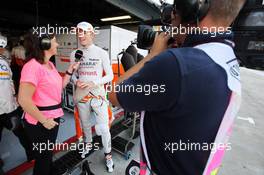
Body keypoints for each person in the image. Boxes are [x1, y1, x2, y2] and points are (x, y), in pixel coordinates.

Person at [109, 0, 245, 174]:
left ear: (194, 10)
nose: (171, 24)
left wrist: (153, 56)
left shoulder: (176, 64)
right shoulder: (227, 56)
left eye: (173, 14)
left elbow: (114, 95)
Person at [18, 31, 79, 175]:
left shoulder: (50, 65)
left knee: (46, 154)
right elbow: (23, 99)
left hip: (52, 118)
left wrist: (69, 72)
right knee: (43, 158)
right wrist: (44, 120)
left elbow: (59, 87)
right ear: (45, 44)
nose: (58, 44)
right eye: (55, 41)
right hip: (40, 122)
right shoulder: (32, 66)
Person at [70, 22, 114, 173]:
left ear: (92, 34)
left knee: (103, 128)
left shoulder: (101, 53)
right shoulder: (74, 53)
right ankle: (88, 145)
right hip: (82, 96)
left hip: (98, 94)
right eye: (78, 32)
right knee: (86, 125)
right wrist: (77, 81)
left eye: (84, 32)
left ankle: (108, 154)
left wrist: (93, 82)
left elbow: (110, 75)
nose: (80, 35)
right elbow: (72, 76)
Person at [0, 34, 33, 166]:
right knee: (22, 133)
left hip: (10, 108)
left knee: (22, 133)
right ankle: (32, 155)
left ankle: (32, 155)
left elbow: (10, 83)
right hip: (9, 109)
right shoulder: (4, 63)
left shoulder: (4, 63)